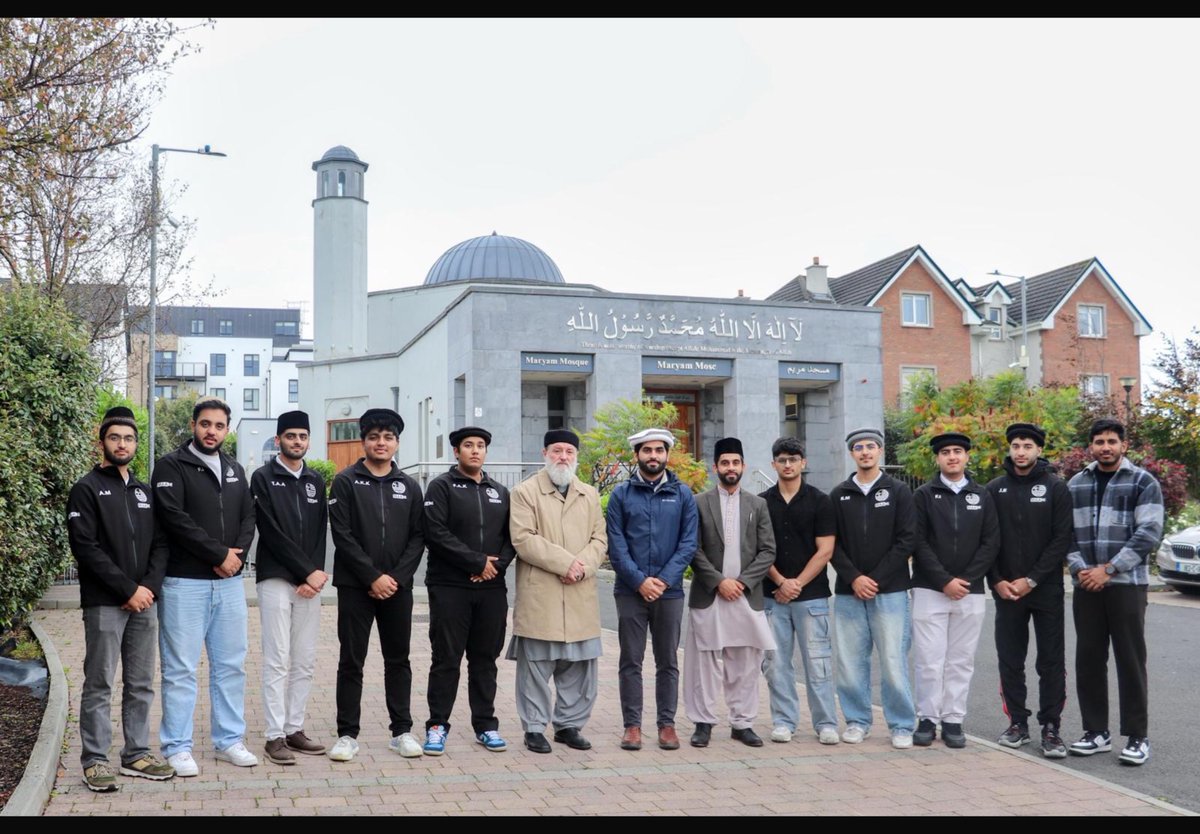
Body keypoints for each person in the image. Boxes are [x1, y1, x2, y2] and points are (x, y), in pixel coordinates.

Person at [68, 406, 174, 791]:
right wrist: (127, 589)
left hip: (145, 602)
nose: (122, 444)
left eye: (128, 438)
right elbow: (86, 548)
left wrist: (147, 588)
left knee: (142, 681)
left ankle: (135, 754)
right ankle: (95, 760)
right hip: (104, 602)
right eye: (115, 438)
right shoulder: (86, 489)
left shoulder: (144, 492)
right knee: (99, 682)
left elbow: (161, 545)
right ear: (102, 443)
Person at [153, 397, 257, 776]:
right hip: (184, 583)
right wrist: (217, 553)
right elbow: (174, 518)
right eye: (205, 424)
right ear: (193, 425)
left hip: (228, 585)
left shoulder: (234, 468)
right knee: (180, 669)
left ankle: (229, 739)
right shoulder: (170, 465)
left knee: (231, 666)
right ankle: (177, 747)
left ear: (226, 430)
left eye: (219, 425)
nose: (211, 431)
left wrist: (237, 557)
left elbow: (249, 515)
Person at [327, 408, 425, 762]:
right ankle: (347, 734)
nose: (380, 443)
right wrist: (372, 577)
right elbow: (343, 535)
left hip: (398, 588)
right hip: (356, 586)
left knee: (398, 659)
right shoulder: (346, 481)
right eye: (373, 437)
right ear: (364, 441)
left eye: (387, 437)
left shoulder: (409, 486)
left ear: (397, 442)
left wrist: (395, 579)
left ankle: (401, 731)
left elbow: (418, 538)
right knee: (351, 660)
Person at [1066, 418, 1163, 766]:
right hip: (1086, 586)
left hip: (1127, 586)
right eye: (1099, 441)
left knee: (1130, 660)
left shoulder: (1142, 482)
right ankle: (1096, 732)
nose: (1105, 447)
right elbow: (1066, 535)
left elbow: (1149, 533)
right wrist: (1081, 570)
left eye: (1111, 441)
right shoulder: (1076, 483)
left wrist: (1108, 570)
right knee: (1089, 660)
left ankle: (1137, 737)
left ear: (1124, 444)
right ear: (1090, 446)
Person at [507, 429, 608, 754]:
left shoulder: (589, 494)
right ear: (544, 453)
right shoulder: (525, 492)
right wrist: (567, 564)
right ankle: (534, 728)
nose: (563, 457)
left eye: (568, 451)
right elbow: (524, 539)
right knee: (536, 664)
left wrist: (582, 566)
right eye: (556, 451)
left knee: (579, 666)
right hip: (543, 592)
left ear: (575, 457)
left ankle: (568, 725)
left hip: (579, 592)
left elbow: (600, 540)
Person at [421, 426, 515, 755]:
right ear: (456, 452)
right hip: (450, 587)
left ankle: (486, 725)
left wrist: (495, 566)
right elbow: (435, 532)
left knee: (485, 659)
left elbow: (511, 538)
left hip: (491, 588)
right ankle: (436, 725)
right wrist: (476, 562)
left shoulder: (499, 491)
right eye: (468, 446)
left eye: (480, 446)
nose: (475, 451)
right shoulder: (441, 487)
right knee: (446, 659)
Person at [606, 427, 698, 751]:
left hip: (669, 592)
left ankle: (667, 725)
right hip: (630, 591)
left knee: (667, 660)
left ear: (667, 455)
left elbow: (688, 544)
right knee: (631, 660)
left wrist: (662, 581)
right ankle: (632, 726)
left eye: (659, 450)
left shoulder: (683, 494)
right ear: (637, 455)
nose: (653, 456)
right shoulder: (621, 495)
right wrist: (639, 581)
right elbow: (616, 546)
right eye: (647, 451)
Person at [985, 422, 1072, 758]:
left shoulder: (1055, 488)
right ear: (1009, 450)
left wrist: (1032, 579)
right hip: (1006, 591)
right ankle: (1017, 724)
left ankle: (1051, 728)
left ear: (1038, 450)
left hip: (1045, 589)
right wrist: (997, 580)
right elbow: (988, 540)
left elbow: (1060, 539)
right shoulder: (994, 489)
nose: (1020, 452)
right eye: (1016, 446)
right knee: (1010, 659)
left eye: (1027, 446)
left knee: (1050, 661)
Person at [684, 437, 777, 749]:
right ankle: (703, 723)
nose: (730, 468)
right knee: (705, 662)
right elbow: (692, 549)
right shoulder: (698, 503)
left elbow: (767, 551)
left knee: (746, 662)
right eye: (725, 463)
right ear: (715, 467)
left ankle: (742, 723)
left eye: (735, 462)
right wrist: (718, 581)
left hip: (745, 596)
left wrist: (742, 582)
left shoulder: (758, 505)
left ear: (743, 466)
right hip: (710, 594)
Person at [829, 428, 917, 748]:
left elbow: (907, 539)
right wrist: (854, 577)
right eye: (858, 447)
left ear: (880, 451)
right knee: (851, 662)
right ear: (851, 453)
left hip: (891, 591)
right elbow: (831, 544)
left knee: (893, 660)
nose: (865, 452)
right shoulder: (839, 494)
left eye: (871, 446)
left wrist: (875, 579)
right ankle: (857, 721)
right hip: (849, 592)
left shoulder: (898, 491)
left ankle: (902, 724)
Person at [910, 432, 1000, 749]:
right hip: (929, 589)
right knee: (929, 659)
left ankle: (953, 720)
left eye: (958, 451)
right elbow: (917, 542)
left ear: (966, 457)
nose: (952, 456)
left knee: (961, 660)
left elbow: (991, 542)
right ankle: (927, 719)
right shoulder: (923, 495)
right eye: (946, 452)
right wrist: (944, 580)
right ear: (937, 458)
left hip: (970, 591)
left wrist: (966, 579)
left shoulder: (982, 495)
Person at [250, 410, 329, 764]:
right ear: (279, 439)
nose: (297, 441)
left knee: (305, 659)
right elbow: (271, 532)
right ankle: (274, 736)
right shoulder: (263, 478)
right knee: (277, 659)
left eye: (303, 436)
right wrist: (305, 572)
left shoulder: (315, 480)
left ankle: (295, 728)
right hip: (276, 578)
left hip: (308, 584)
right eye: (291, 436)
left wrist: (315, 573)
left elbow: (319, 532)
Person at [759, 437, 838, 745]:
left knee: (818, 661)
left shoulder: (820, 500)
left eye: (794, 458)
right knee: (775, 663)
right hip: (772, 596)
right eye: (782, 459)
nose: (788, 464)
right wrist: (781, 582)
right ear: (773, 464)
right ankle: (783, 721)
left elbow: (825, 549)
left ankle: (826, 723)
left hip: (812, 597)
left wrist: (796, 584)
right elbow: (759, 549)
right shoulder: (762, 502)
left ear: (803, 462)